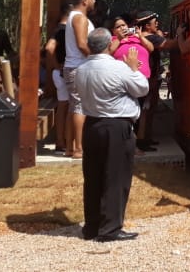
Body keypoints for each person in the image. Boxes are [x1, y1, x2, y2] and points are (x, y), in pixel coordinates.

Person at [75, 27, 149, 242]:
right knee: (115, 178)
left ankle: (92, 226)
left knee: (93, 178)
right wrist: (133, 69)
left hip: (92, 125)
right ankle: (110, 229)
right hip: (116, 126)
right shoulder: (118, 68)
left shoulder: (81, 69)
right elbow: (141, 88)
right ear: (109, 45)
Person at [110, 16, 154, 152]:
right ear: (113, 30)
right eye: (118, 26)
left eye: (124, 25)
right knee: (127, 113)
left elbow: (151, 48)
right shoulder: (112, 40)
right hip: (123, 81)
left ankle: (139, 142)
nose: (122, 28)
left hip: (141, 78)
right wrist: (119, 39)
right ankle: (129, 144)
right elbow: (109, 52)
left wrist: (140, 37)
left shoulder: (137, 38)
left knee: (142, 111)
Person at [64, 0, 97, 159]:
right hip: (78, 67)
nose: (94, 1)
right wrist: (98, 57)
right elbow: (82, 45)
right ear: (85, 0)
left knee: (74, 107)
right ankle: (78, 148)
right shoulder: (80, 18)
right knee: (80, 107)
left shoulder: (72, 17)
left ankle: (70, 147)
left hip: (73, 67)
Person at [137, 11, 177, 151]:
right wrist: (179, 33)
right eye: (155, 22)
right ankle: (142, 140)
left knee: (148, 109)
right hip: (149, 79)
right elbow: (171, 44)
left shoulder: (144, 37)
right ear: (147, 26)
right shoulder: (151, 38)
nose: (158, 24)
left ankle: (146, 138)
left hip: (147, 78)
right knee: (146, 110)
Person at [44, 3, 72, 153]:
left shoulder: (57, 29)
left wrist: (55, 66)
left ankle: (60, 141)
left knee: (62, 106)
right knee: (70, 107)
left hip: (59, 72)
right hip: (64, 71)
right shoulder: (63, 30)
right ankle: (67, 142)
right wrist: (57, 65)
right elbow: (49, 48)